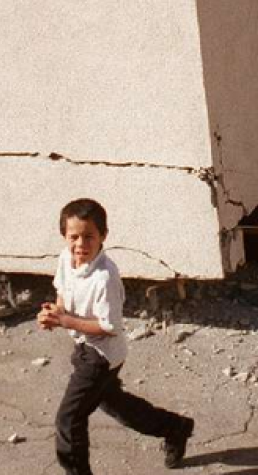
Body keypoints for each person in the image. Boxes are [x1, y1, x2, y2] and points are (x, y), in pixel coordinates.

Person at [38, 198, 194, 474]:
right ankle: (175, 427)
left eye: (89, 237)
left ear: (103, 236)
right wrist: (54, 313)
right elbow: (62, 293)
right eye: (74, 237)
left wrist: (65, 320)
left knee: (69, 419)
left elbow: (108, 326)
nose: (80, 244)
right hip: (86, 348)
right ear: (64, 236)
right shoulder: (66, 259)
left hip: (102, 354)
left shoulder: (105, 278)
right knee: (115, 405)